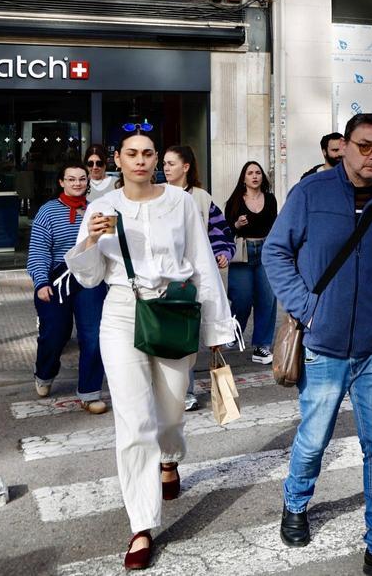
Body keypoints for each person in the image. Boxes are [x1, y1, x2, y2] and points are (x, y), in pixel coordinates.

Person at [65, 128, 240, 570]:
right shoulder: (102, 206)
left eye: (148, 153)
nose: (140, 160)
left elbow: (202, 262)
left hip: (174, 308)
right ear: (117, 161)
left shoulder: (180, 202)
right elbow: (88, 276)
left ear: (157, 159)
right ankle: (141, 526)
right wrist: (88, 239)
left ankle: (170, 458)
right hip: (123, 311)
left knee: (172, 409)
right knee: (134, 419)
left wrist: (217, 327)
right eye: (131, 154)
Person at [264, 113, 372, 576]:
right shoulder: (310, 194)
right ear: (345, 146)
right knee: (314, 439)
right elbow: (276, 252)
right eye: (365, 146)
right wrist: (306, 309)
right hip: (323, 344)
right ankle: (295, 502)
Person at [26, 160, 107, 414]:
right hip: (56, 280)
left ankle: (90, 392)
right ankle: (45, 373)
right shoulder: (48, 211)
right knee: (55, 335)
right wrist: (41, 282)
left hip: (89, 278)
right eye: (71, 179)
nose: (77, 183)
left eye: (82, 179)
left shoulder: (98, 211)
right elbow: (38, 251)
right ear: (61, 182)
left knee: (93, 336)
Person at [162, 145, 234, 411]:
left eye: (171, 163)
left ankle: (205, 393)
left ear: (186, 167)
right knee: (181, 337)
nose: (166, 168)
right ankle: (184, 391)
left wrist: (223, 253)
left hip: (201, 278)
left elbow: (221, 233)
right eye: (164, 163)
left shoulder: (202, 198)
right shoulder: (158, 195)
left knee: (207, 336)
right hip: (171, 280)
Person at [224, 161, 278, 364]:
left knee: (267, 299)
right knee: (242, 299)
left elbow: (275, 226)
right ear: (244, 178)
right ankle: (233, 332)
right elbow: (226, 230)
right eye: (250, 173)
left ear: (262, 177)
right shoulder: (235, 201)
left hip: (265, 252)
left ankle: (261, 347)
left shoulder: (270, 200)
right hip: (242, 253)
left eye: (257, 173)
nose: (254, 176)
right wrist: (236, 224)